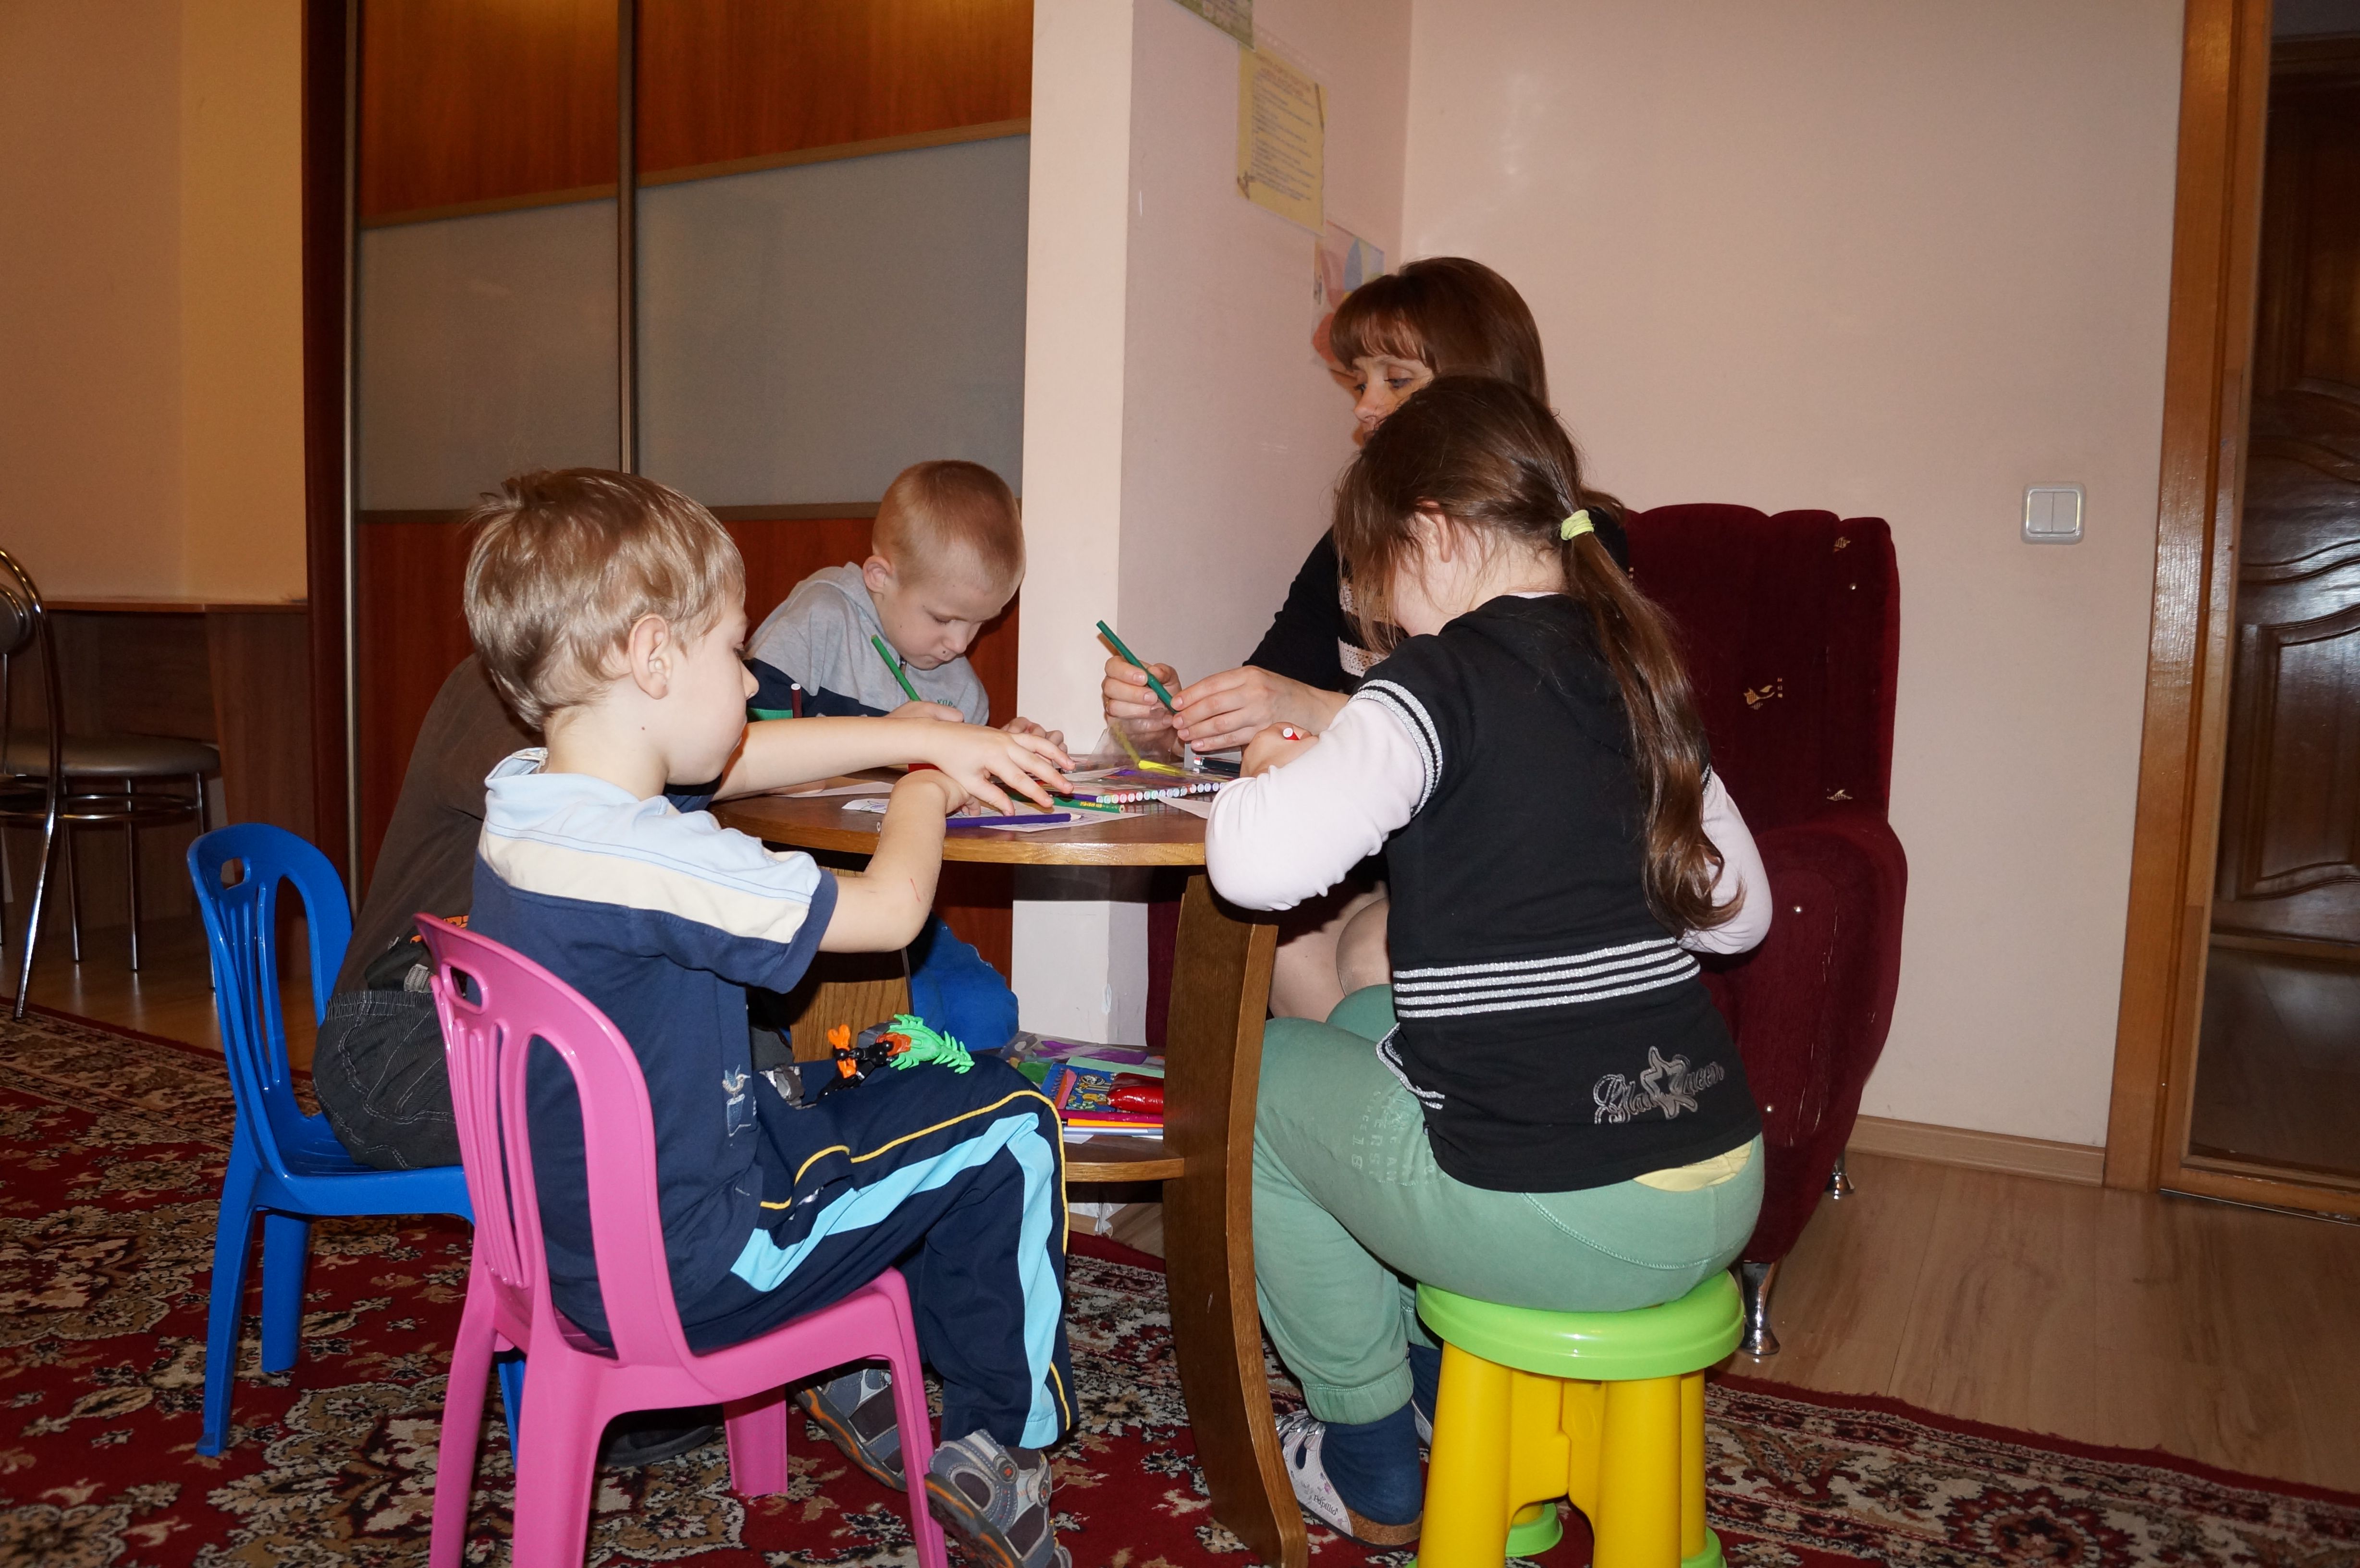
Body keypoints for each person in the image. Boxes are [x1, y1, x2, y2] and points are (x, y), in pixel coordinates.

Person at [461, 469, 1077, 1568]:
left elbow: (747, 759)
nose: (751, 681)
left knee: (906, 1050)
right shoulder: (658, 860)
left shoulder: (532, 799)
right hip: (709, 1256)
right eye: (733, 653)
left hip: (575, 1242)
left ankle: (866, 1357)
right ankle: (1003, 1442)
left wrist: (901, 736)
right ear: (653, 658)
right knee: (1014, 1121)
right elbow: (892, 909)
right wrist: (926, 787)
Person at [1203, 379, 1769, 1546]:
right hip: (1719, 1182)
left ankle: (1369, 1455)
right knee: (1361, 1027)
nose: (1379, 617)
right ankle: (1438, 1392)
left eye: (1378, 576)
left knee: (1254, 1086)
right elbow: (1736, 920)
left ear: (1434, 534)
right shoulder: (1636, 673)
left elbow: (1253, 872)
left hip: (1571, 1217)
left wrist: (1261, 779)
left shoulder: (1432, 681)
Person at [1102, 258, 1630, 1019]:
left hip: (1507, 863)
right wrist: (1170, 724)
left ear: (1480, 390)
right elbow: (1270, 708)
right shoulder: (1350, 544)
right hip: (1393, 857)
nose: (1367, 408)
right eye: (1358, 382)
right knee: (1286, 942)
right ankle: (1377, 1099)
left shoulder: (1566, 542)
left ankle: (1404, 1093)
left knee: (1368, 950)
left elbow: (1521, 731)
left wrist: (1311, 707)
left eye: (1397, 380)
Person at [748, 458, 1061, 745]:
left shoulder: (964, 692)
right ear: (880, 577)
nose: (960, 644)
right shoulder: (819, 620)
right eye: (942, 619)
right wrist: (882, 739)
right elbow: (750, 746)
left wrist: (1003, 750)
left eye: (980, 622)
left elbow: (957, 775)